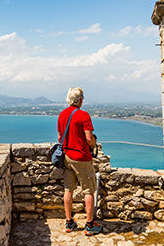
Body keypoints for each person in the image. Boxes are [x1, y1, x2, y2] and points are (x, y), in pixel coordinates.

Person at [57, 87, 101, 236]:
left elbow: (59, 138)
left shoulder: (62, 115)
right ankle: (89, 225)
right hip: (82, 158)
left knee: (68, 189)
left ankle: (69, 222)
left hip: (67, 157)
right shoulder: (84, 115)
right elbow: (89, 139)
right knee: (88, 190)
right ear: (80, 100)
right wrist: (94, 142)